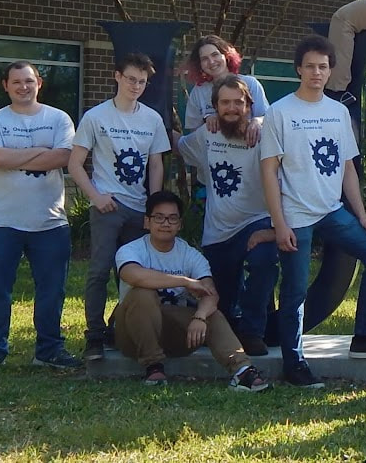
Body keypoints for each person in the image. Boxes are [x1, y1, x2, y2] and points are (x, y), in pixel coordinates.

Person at [259, 35, 366, 389]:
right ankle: (295, 363)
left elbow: (347, 169)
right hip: (295, 216)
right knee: (294, 293)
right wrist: (279, 224)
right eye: (309, 66)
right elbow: (268, 171)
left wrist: (362, 215)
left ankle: (365, 336)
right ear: (298, 69)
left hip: (332, 211)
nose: (316, 72)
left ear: (330, 71)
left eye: (322, 67)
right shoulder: (280, 112)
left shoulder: (338, 112)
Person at [0, 61, 82, 371]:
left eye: (29, 81)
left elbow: (64, 156)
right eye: (16, 82)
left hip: (49, 221)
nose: (23, 87)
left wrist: (14, 157)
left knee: (52, 288)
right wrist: (40, 151)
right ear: (5, 85)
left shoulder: (59, 119)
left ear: (39, 83)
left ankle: (49, 349)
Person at [69, 52, 171, 362]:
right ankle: (94, 336)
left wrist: (153, 209)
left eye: (142, 81)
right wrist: (96, 197)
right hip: (107, 207)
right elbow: (75, 164)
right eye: (131, 79)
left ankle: (126, 331)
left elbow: (156, 165)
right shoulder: (96, 117)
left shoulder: (152, 118)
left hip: (139, 208)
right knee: (99, 271)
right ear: (117, 77)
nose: (136, 86)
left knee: (134, 275)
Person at [112, 191, 269, 391]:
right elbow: (134, 276)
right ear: (147, 222)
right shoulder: (131, 250)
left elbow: (210, 293)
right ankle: (153, 366)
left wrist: (201, 316)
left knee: (212, 313)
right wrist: (185, 282)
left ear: (180, 224)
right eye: (158, 217)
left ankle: (243, 371)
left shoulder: (190, 255)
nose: (165, 223)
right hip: (132, 334)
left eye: (172, 218)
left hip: (176, 335)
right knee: (142, 294)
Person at [176, 74, 278, 357]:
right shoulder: (206, 135)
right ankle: (232, 329)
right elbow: (180, 146)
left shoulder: (265, 134)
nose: (232, 108)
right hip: (218, 231)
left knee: (264, 261)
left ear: (249, 105)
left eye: (238, 102)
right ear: (215, 107)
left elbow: (283, 125)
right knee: (220, 301)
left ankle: (253, 331)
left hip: (255, 222)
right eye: (225, 103)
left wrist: (261, 121)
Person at [181, 34, 269, 142]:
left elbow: (267, 118)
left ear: (226, 55)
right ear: (199, 65)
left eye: (215, 55)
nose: (211, 62)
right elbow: (194, 134)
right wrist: (207, 120)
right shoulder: (198, 92)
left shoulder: (250, 84)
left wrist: (256, 121)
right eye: (204, 59)